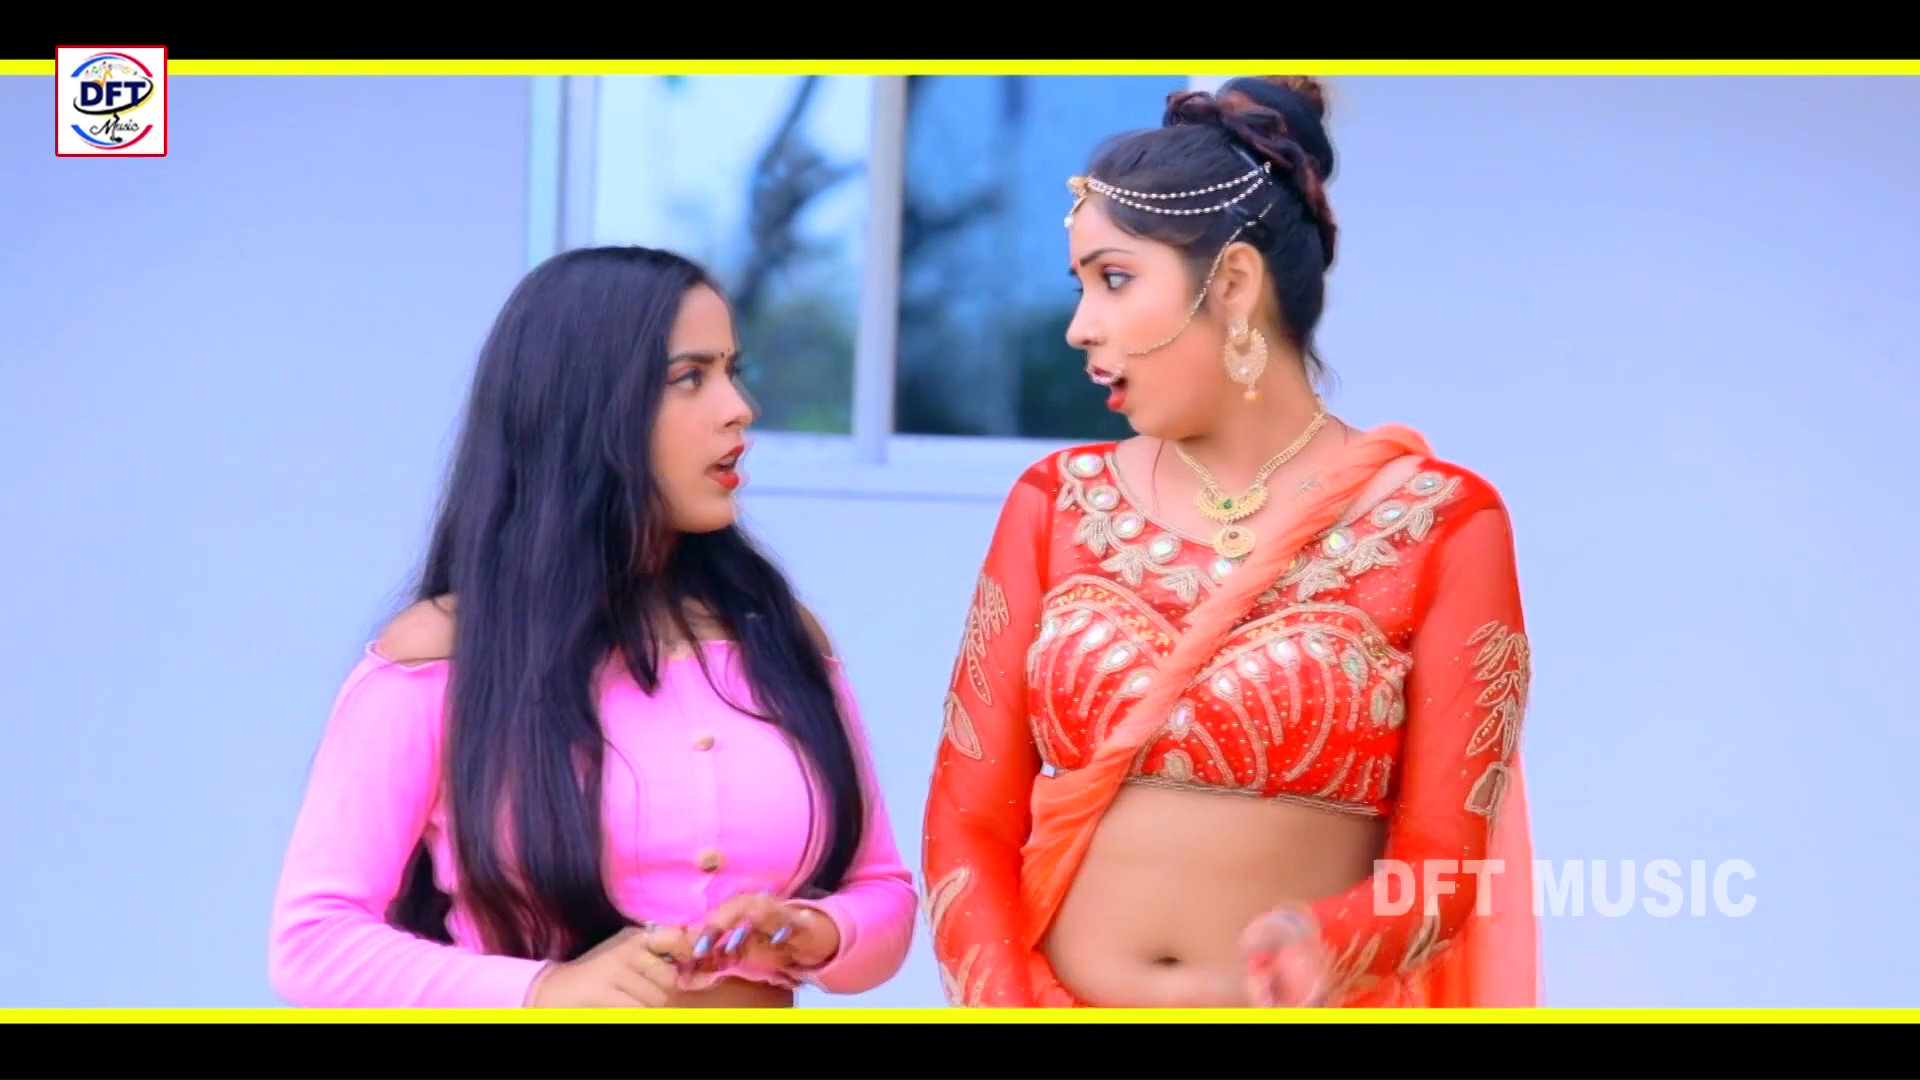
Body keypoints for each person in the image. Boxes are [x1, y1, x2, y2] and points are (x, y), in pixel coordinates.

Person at [920, 76, 1538, 1009]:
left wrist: (1325, 941)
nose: (1080, 327)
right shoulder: (1055, 504)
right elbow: (967, 823)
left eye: (1115, 279)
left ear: (1235, 284)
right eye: (1082, 287)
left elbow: (1448, 865)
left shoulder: (1441, 522)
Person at [267, 246, 916, 1008]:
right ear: (588, 408)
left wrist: (816, 932)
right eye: (690, 378)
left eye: (732, 371)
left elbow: (883, 889)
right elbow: (313, 942)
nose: (739, 407)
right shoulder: (443, 658)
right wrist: (545, 990)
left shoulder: (777, 636)